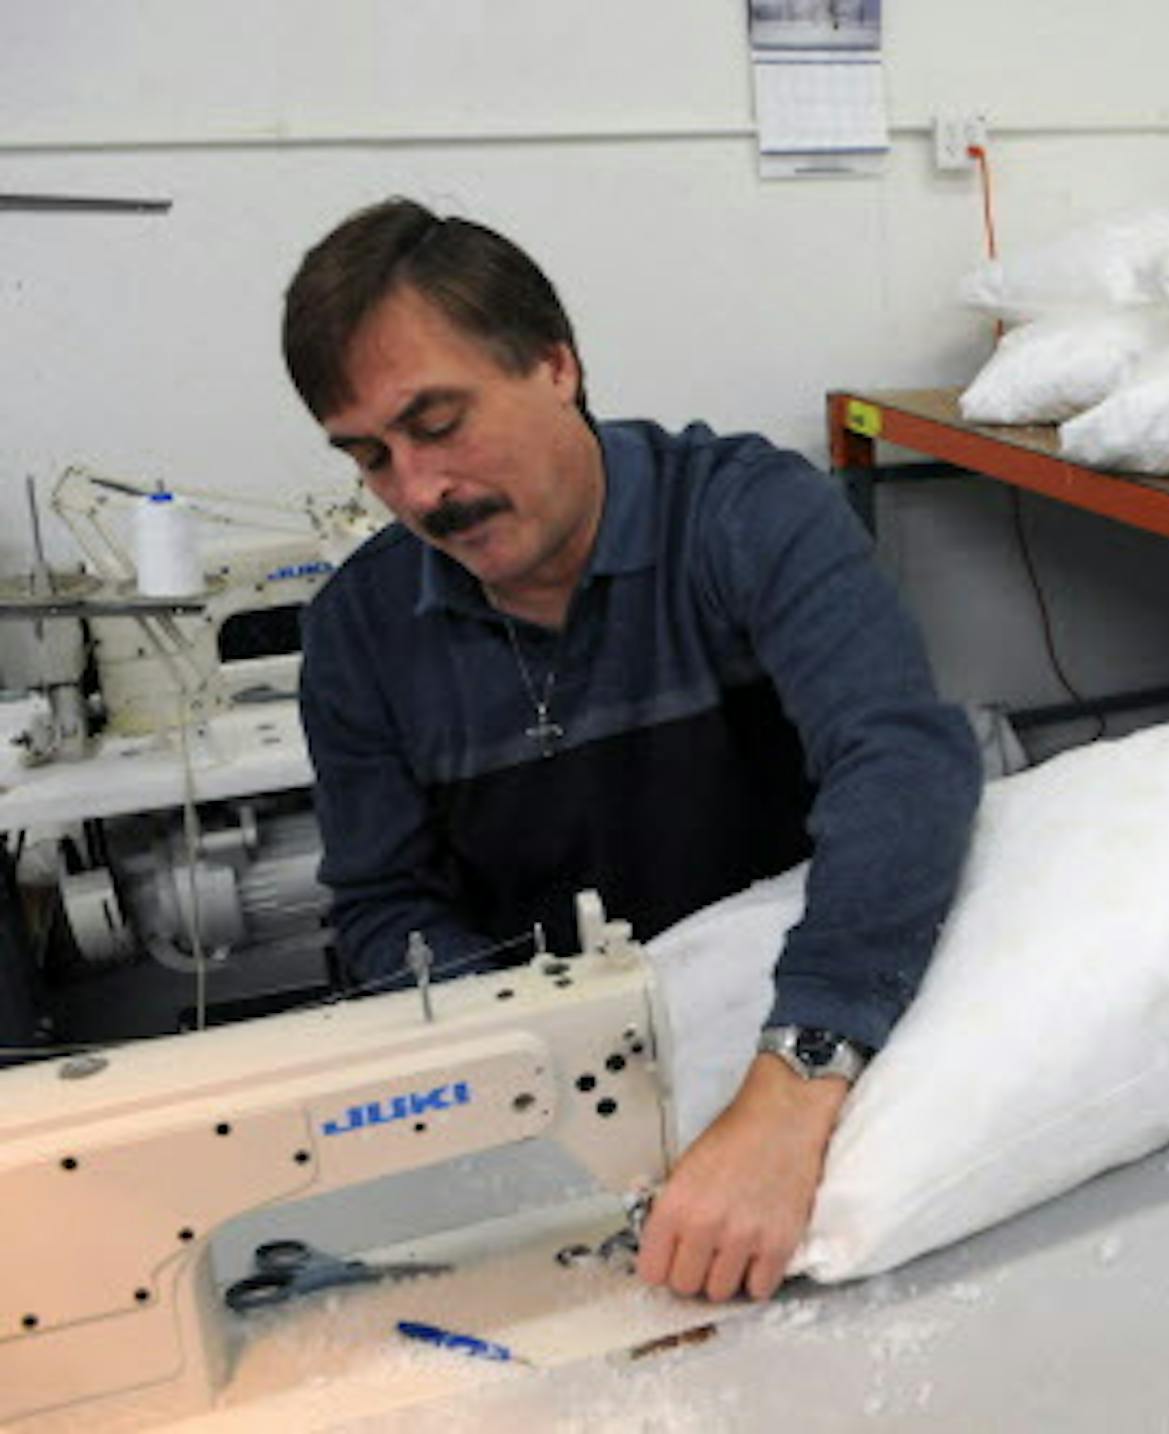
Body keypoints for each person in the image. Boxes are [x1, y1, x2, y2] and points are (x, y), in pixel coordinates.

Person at [282, 197, 982, 1303]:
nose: (418, 493)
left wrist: (795, 1079)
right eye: (369, 457)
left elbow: (899, 761)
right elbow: (383, 906)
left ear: (555, 365)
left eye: (438, 423)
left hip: (805, 1048)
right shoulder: (357, 636)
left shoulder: (749, 517)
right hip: (557, 1113)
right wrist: (535, 1080)